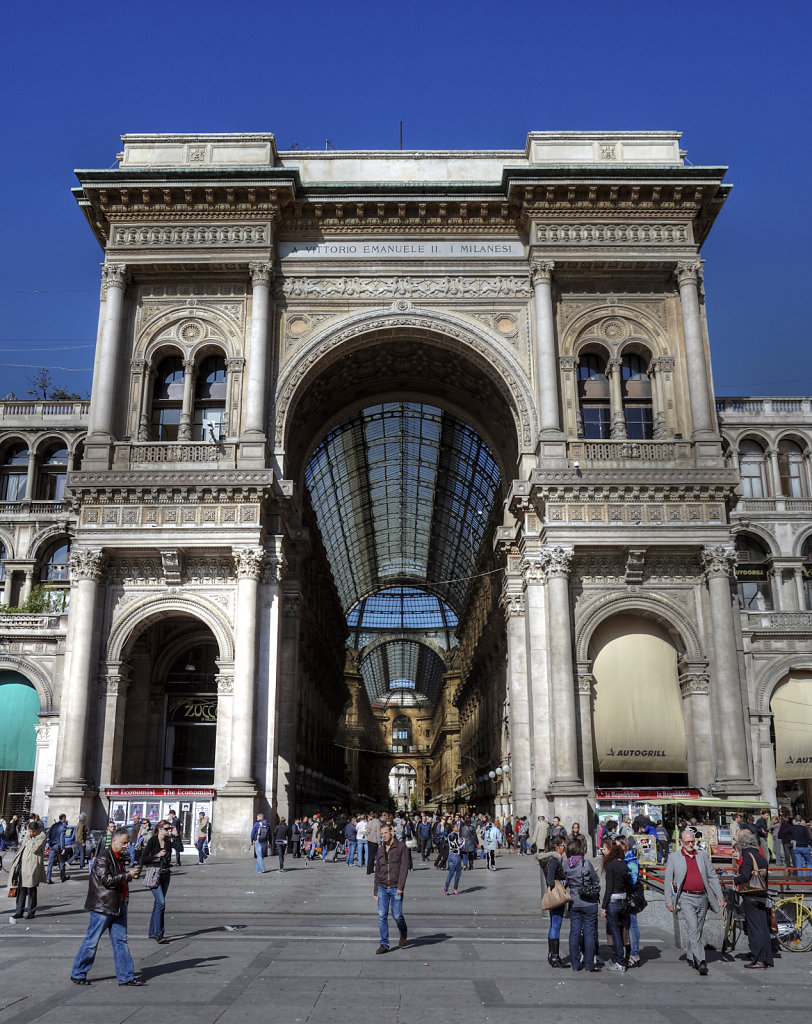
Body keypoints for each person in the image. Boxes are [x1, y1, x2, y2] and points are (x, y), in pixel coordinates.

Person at [70, 827, 145, 986]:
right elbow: (107, 881)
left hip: (118, 905)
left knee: (120, 941)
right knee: (92, 941)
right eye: (124, 843)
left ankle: (126, 976)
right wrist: (128, 875)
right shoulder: (104, 858)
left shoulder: (118, 857)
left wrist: (129, 876)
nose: (126, 846)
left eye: (127, 843)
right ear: (115, 840)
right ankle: (78, 973)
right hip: (103, 907)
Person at [664, 828, 725, 976]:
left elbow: (712, 876)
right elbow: (668, 879)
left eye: (692, 841)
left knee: (698, 928)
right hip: (685, 897)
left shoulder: (702, 855)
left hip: (703, 896)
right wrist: (669, 900)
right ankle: (701, 961)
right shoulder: (674, 857)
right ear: (681, 842)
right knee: (693, 927)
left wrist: (719, 894)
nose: (691, 844)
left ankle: (692, 955)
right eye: (687, 842)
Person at [561, 835, 601, 972]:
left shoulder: (566, 865)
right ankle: (589, 964)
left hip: (574, 902)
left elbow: (564, 882)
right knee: (589, 933)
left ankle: (575, 964)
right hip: (589, 903)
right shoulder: (586, 863)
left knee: (574, 933)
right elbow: (596, 880)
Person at [734, 831, 773, 968]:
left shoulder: (747, 855)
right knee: (763, 927)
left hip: (750, 895)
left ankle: (758, 959)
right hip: (762, 893)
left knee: (754, 928)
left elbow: (745, 875)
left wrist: (735, 880)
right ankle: (767, 957)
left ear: (743, 844)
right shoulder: (761, 856)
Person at [373, 822, 409, 953]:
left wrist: (401, 886)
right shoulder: (381, 849)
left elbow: (404, 868)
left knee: (397, 915)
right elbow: (377, 870)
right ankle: (384, 944)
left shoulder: (401, 847)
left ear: (391, 832)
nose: (384, 836)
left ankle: (403, 931)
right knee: (382, 915)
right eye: (382, 834)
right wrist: (375, 889)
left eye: (386, 833)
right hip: (382, 887)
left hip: (395, 887)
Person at [139, 819, 173, 943]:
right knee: (161, 903)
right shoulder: (153, 840)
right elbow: (143, 858)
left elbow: (180, 848)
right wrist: (157, 855)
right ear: (160, 829)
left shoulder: (168, 841)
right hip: (154, 874)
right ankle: (159, 933)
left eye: (170, 828)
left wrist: (177, 835)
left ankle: (153, 932)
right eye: (166, 829)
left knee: (158, 905)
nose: (168, 831)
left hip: (165, 874)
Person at [601, 836, 631, 971]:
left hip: (613, 902)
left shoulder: (611, 865)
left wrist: (603, 907)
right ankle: (616, 959)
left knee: (615, 934)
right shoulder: (624, 865)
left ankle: (620, 961)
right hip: (623, 901)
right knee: (619, 931)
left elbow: (608, 888)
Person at [8, 818, 46, 919]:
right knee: (21, 890)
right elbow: (23, 846)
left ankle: (31, 912)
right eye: (30, 831)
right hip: (23, 865)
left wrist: (29, 839)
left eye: (33, 832)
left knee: (31, 889)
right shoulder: (29, 835)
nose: (31, 833)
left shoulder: (42, 836)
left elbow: (34, 848)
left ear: (37, 830)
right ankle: (19, 911)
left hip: (32, 866)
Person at [541, 834, 568, 967]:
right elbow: (551, 880)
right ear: (557, 846)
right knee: (556, 925)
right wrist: (564, 881)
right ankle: (555, 957)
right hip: (556, 896)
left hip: (553, 895)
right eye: (563, 845)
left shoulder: (551, 859)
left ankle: (552, 955)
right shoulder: (554, 860)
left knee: (554, 925)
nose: (565, 847)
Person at [618, 835, 641, 967]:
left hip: (630, 897)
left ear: (624, 846)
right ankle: (629, 952)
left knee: (632, 924)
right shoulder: (623, 859)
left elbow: (632, 879)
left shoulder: (630, 860)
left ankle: (635, 954)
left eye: (618, 846)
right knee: (626, 924)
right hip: (623, 896)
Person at [46, 813, 69, 883]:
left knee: (50, 862)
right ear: (63, 818)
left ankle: (48, 878)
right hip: (58, 846)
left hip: (52, 845)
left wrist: (50, 843)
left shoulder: (53, 825)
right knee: (61, 862)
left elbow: (49, 835)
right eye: (65, 818)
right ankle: (63, 877)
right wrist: (63, 848)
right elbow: (62, 838)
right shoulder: (63, 826)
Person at [444, 821, 463, 895]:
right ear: (453, 828)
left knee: (451, 873)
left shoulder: (449, 835)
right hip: (455, 855)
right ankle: (455, 888)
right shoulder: (456, 835)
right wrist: (463, 841)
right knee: (458, 872)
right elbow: (458, 845)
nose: (457, 828)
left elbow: (452, 843)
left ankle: (446, 887)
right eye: (456, 827)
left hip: (450, 855)